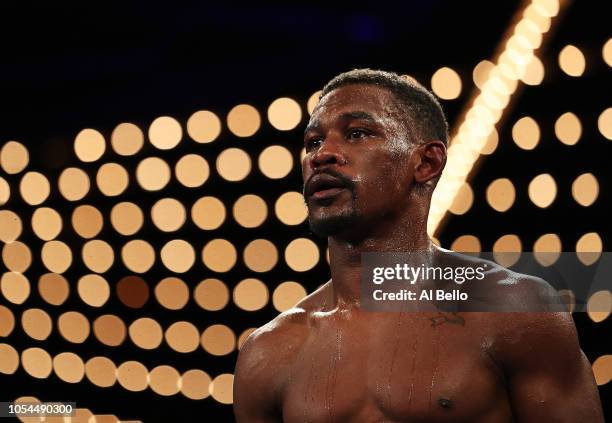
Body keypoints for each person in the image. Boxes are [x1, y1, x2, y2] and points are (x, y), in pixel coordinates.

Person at [233, 69, 604, 422]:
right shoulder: (269, 352)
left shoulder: (512, 310)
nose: (321, 154)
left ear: (426, 162)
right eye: (313, 142)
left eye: (358, 133)